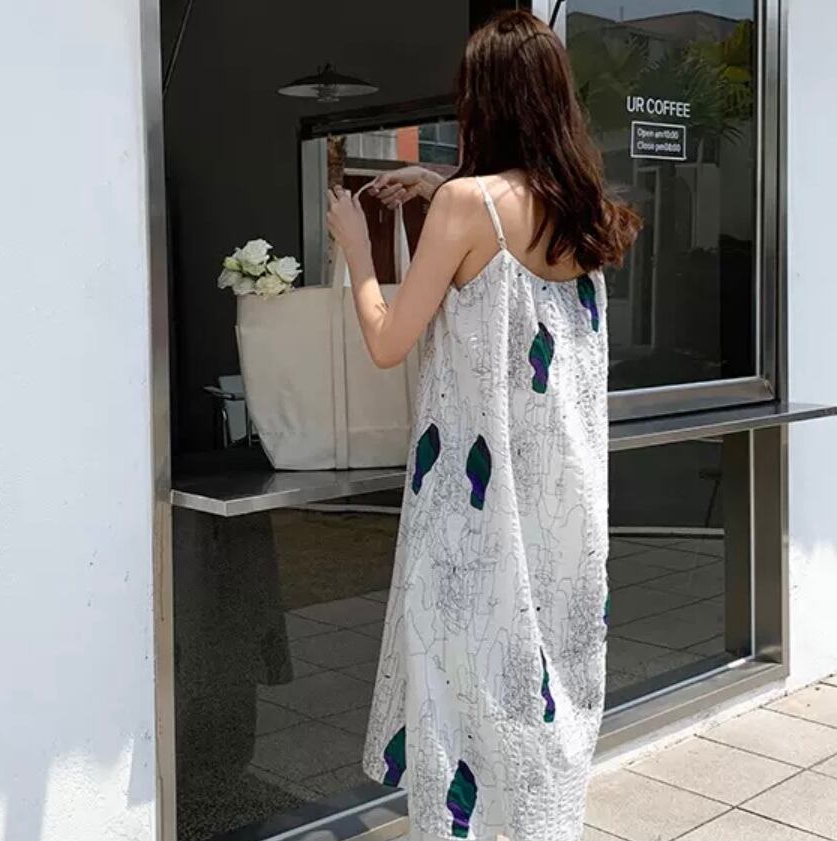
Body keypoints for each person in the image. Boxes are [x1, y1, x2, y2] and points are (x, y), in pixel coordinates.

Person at [327, 10, 640, 841]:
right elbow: (508, 242)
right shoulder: (582, 214)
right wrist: (436, 187)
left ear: (484, 102)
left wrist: (358, 249)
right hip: (560, 511)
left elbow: (388, 342)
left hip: (473, 517)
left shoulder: (466, 205)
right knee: (538, 690)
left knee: (458, 697)